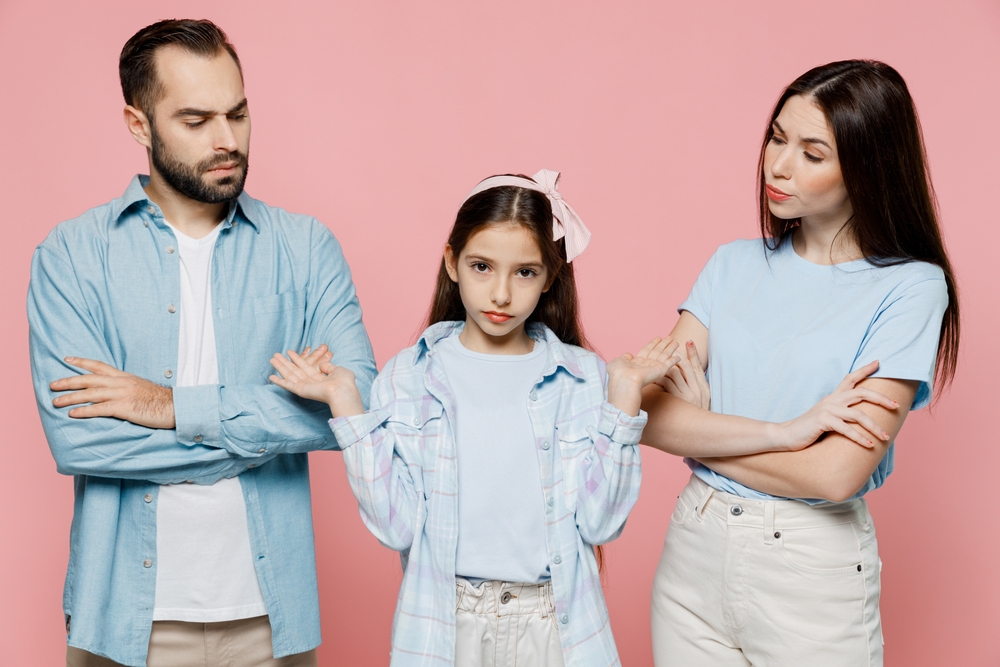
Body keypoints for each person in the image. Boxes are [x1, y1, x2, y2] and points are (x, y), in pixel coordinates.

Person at [27, 19, 376, 667]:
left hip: (270, 619)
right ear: (139, 124)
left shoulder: (303, 249)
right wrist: (259, 433)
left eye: (237, 114)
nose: (226, 140)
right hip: (123, 619)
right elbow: (80, 438)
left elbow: (358, 410)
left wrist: (169, 406)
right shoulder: (72, 256)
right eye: (195, 120)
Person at [269, 170, 678, 667]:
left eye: (525, 272)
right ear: (452, 262)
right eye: (482, 266)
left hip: (556, 627)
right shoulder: (409, 376)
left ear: (550, 276)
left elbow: (601, 523)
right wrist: (345, 401)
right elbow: (396, 527)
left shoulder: (584, 379)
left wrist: (624, 396)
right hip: (446, 626)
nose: (501, 294)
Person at [640, 60, 959, 666]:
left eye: (813, 153)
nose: (778, 165)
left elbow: (835, 473)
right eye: (777, 139)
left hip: (808, 567)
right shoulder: (731, 264)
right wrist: (787, 434)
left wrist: (701, 433)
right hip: (693, 553)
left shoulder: (911, 290)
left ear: (869, 167)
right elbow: (646, 413)